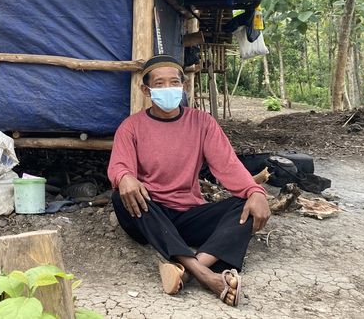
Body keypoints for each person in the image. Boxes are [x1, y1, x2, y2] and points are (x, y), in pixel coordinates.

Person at [107, 54, 270, 306]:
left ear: (184, 86)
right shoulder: (131, 127)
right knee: (122, 194)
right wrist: (124, 176)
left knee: (243, 205)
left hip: (188, 214)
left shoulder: (202, 122)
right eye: (159, 84)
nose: (167, 88)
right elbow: (118, 165)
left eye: (173, 82)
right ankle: (206, 274)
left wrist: (255, 191)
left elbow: (228, 165)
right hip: (150, 215)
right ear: (146, 90)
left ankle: (190, 270)